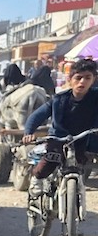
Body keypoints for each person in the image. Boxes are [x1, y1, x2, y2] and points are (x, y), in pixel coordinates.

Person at [22, 57, 98, 193]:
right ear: (70, 79)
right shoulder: (59, 99)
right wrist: (29, 132)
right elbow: (38, 115)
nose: (82, 82)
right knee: (48, 162)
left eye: (87, 78)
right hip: (59, 139)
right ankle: (36, 180)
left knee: (82, 166)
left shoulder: (95, 97)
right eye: (78, 77)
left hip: (85, 140)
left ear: (93, 79)